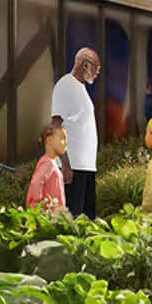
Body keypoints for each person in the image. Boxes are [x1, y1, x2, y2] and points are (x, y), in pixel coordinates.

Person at [51, 48, 101, 218]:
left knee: (87, 221)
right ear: (85, 65)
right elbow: (56, 126)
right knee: (72, 220)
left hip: (86, 167)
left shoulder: (80, 87)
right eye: (96, 67)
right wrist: (65, 163)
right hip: (73, 168)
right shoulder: (65, 85)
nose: (97, 72)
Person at [27, 116, 69, 213]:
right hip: (48, 218)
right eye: (62, 138)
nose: (65, 143)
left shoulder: (50, 163)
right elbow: (36, 183)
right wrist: (38, 207)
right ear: (49, 140)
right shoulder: (47, 163)